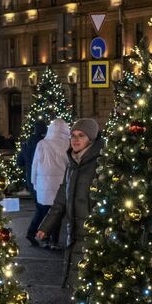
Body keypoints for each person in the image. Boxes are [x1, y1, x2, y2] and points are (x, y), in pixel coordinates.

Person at [36, 118, 102, 290]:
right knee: (79, 284)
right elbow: (61, 200)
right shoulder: (73, 164)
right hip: (74, 232)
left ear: (92, 139)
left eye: (81, 135)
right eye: (73, 135)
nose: (75, 139)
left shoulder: (101, 164)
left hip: (95, 237)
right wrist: (46, 226)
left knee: (92, 284)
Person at [28, 119, 70, 248]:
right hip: (60, 185)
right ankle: (53, 241)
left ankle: (39, 236)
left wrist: (34, 182)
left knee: (42, 212)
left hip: (43, 185)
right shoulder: (68, 144)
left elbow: (35, 165)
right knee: (57, 214)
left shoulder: (42, 143)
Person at [17, 120, 47, 192]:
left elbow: (19, 162)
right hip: (44, 178)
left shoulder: (28, 143)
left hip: (30, 177)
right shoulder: (46, 143)